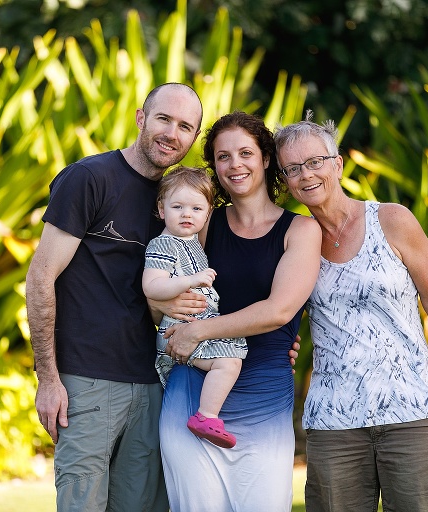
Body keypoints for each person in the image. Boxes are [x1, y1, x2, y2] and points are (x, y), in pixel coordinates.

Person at [25, 83, 208, 512]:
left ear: (192, 140)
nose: (172, 133)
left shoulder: (178, 202)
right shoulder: (90, 179)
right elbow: (40, 278)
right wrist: (49, 378)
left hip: (153, 382)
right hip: (87, 380)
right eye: (164, 119)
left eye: (185, 126)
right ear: (141, 118)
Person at [274, 113, 428, 512]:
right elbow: (278, 307)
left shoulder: (392, 219)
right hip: (333, 422)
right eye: (292, 168)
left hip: (411, 411)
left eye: (314, 162)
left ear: (337, 164)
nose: (305, 175)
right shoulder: (295, 240)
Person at [158, 111, 322, 511]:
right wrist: (170, 315)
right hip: (193, 391)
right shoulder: (201, 222)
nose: (235, 165)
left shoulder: (301, 230)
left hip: (264, 390)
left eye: (245, 153)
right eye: (222, 156)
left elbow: (280, 310)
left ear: (266, 159)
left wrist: (199, 330)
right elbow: (157, 281)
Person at [143, 166, 247, 449]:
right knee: (228, 362)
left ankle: (208, 415)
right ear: (162, 210)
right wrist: (191, 280)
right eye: (178, 207)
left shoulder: (192, 243)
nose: (187, 214)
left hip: (195, 326)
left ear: (207, 212)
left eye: (196, 208)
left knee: (232, 357)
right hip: (177, 331)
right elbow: (152, 286)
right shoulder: (163, 244)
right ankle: (206, 417)